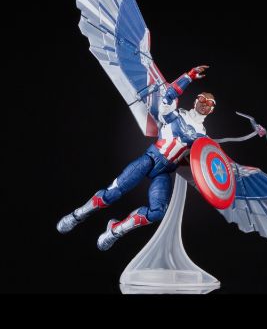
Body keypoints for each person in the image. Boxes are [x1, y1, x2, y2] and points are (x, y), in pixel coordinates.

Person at [57, 65, 215, 251]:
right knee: (113, 192)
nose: (205, 103)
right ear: (196, 100)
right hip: (150, 158)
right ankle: (77, 215)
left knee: (157, 212)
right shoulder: (176, 115)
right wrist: (188, 76)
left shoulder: (204, 140)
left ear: (212, 110)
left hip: (164, 172)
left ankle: (115, 230)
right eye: (202, 99)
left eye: (210, 103)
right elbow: (168, 96)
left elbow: (204, 165)